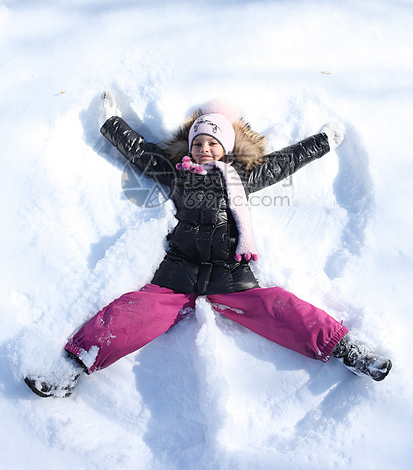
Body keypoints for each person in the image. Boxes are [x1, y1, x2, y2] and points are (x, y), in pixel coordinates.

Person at [24, 93, 392, 398]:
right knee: (133, 313)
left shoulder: (243, 177)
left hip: (230, 274)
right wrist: (110, 123)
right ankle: (70, 367)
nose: (203, 148)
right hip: (178, 272)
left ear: (226, 149)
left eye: (212, 143)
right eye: (197, 143)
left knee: (280, 307)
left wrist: (322, 141)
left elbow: (285, 161)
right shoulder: (176, 173)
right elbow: (139, 152)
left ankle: (347, 350)